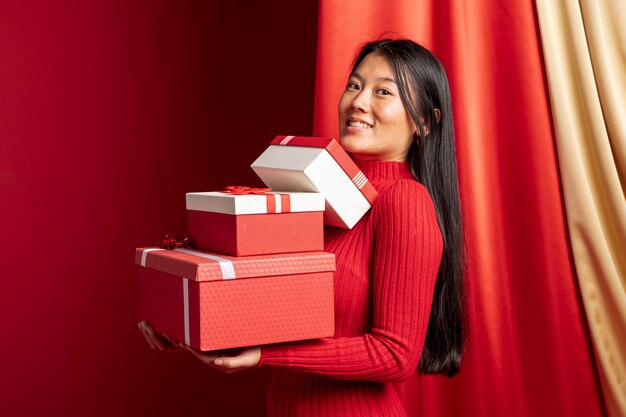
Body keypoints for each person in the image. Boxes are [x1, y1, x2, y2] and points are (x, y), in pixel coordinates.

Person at [139, 38, 465, 417]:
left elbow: (395, 355)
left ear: (424, 121)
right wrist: (184, 324)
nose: (358, 102)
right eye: (355, 85)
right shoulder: (318, 192)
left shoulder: (404, 201)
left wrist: (265, 355)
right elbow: (267, 301)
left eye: (383, 92)